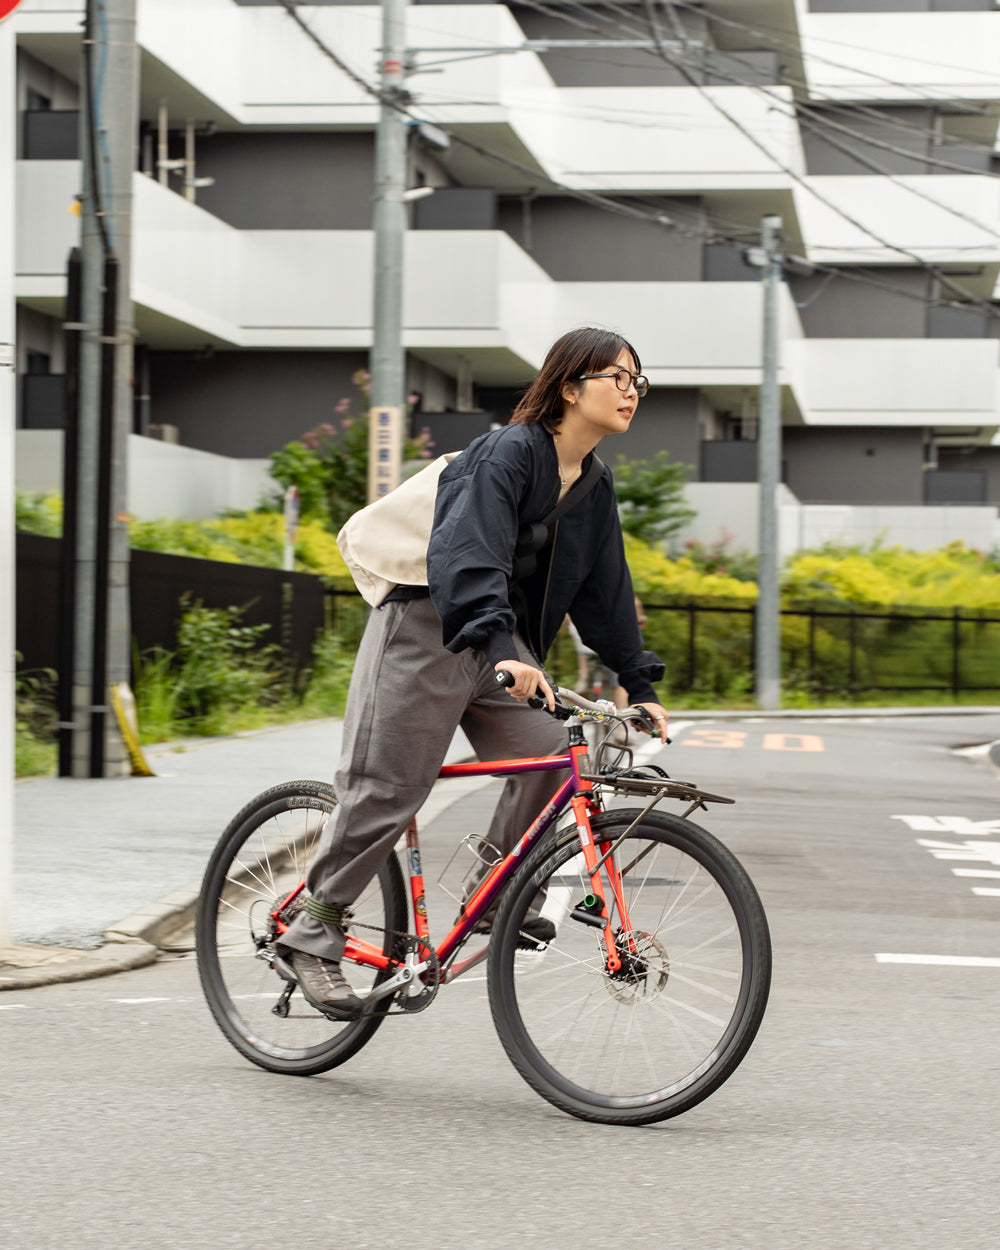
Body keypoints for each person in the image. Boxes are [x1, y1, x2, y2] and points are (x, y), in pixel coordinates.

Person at [277, 326, 670, 1018]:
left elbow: (605, 590)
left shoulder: (592, 483)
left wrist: (640, 683)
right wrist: (501, 647)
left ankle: (494, 896)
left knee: (554, 758)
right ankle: (311, 932)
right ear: (570, 386)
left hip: (500, 646)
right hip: (427, 628)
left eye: (638, 381)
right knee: (391, 788)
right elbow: (466, 554)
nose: (631, 391)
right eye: (617, 377)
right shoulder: (507, 453)